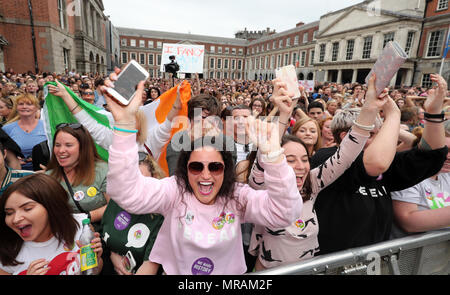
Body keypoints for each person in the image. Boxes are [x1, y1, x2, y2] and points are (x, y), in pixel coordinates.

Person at [103, 78, 303, 275]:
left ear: (226, 169)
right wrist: (125, 125)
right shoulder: (174, 190)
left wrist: (274, 158)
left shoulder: (236, 196)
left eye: (215, 167)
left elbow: (284, 213)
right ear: (185, 168)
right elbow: (125, 192)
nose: (206, 175)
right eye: (196, 167)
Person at [247, 74, 387, 270]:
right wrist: (285, 115)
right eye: (290, 160)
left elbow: (346, 154)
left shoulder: (312, 182)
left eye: (304, 160)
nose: (300, 166)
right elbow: (267, 152)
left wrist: (370, 107)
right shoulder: (263, 187)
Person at [310, 73, 448, 255]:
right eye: (375, 134)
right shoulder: (324, 158)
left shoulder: (384, 165)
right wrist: (393, 115)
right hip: (331, 265)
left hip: (373, 264)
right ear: (346, 137)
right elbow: (375, 164)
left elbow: (431, 156)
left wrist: (433, 113)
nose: (383, 139)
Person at [47, 78, 182, 161]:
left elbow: (169, 122)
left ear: (140, 123)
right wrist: (65, 95)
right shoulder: (111, 139)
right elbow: (87, 121)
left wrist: (178, 100)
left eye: (131, 120)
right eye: (122, 120)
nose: (126, 124)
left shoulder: (152, 139)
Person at [0, 174, 103, 275]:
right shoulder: (6, 250)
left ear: (51, 206)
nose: (16, 219)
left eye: (27, 209)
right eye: (9, 213)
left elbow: (95, 270)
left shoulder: (81, 226)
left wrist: (95, 260)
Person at [101, 153, 165, 275]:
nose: (134, 188)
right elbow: (104, 236)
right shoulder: (117, 200)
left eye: (142, 181)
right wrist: (112, 255)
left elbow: (150, 266)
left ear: (154, 179)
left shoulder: (161, 216)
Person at [45, 123, 109, 232]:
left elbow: (114, 207)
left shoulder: (103, 170)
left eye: (68, 145)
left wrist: (85, 218)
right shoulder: (48, 177)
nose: (61, 151)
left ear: (83, 147)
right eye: (57, 145)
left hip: (103, 234)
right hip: (66, 236)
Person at [390, 121, 450, 238]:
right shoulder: (409, 172)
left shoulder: (447, 174)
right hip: (411, 254)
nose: (449, 156)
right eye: (445, 150)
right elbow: (408, 222)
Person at [2, 94, 46, 170]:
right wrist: (13, 159)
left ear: (36, 108)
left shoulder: (46, 126)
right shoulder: (7, 128)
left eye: (29, 104)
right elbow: (3, 152)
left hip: (43, 171)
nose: (24, 107)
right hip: (17, 172)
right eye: (21, 104)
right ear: (16, 108)